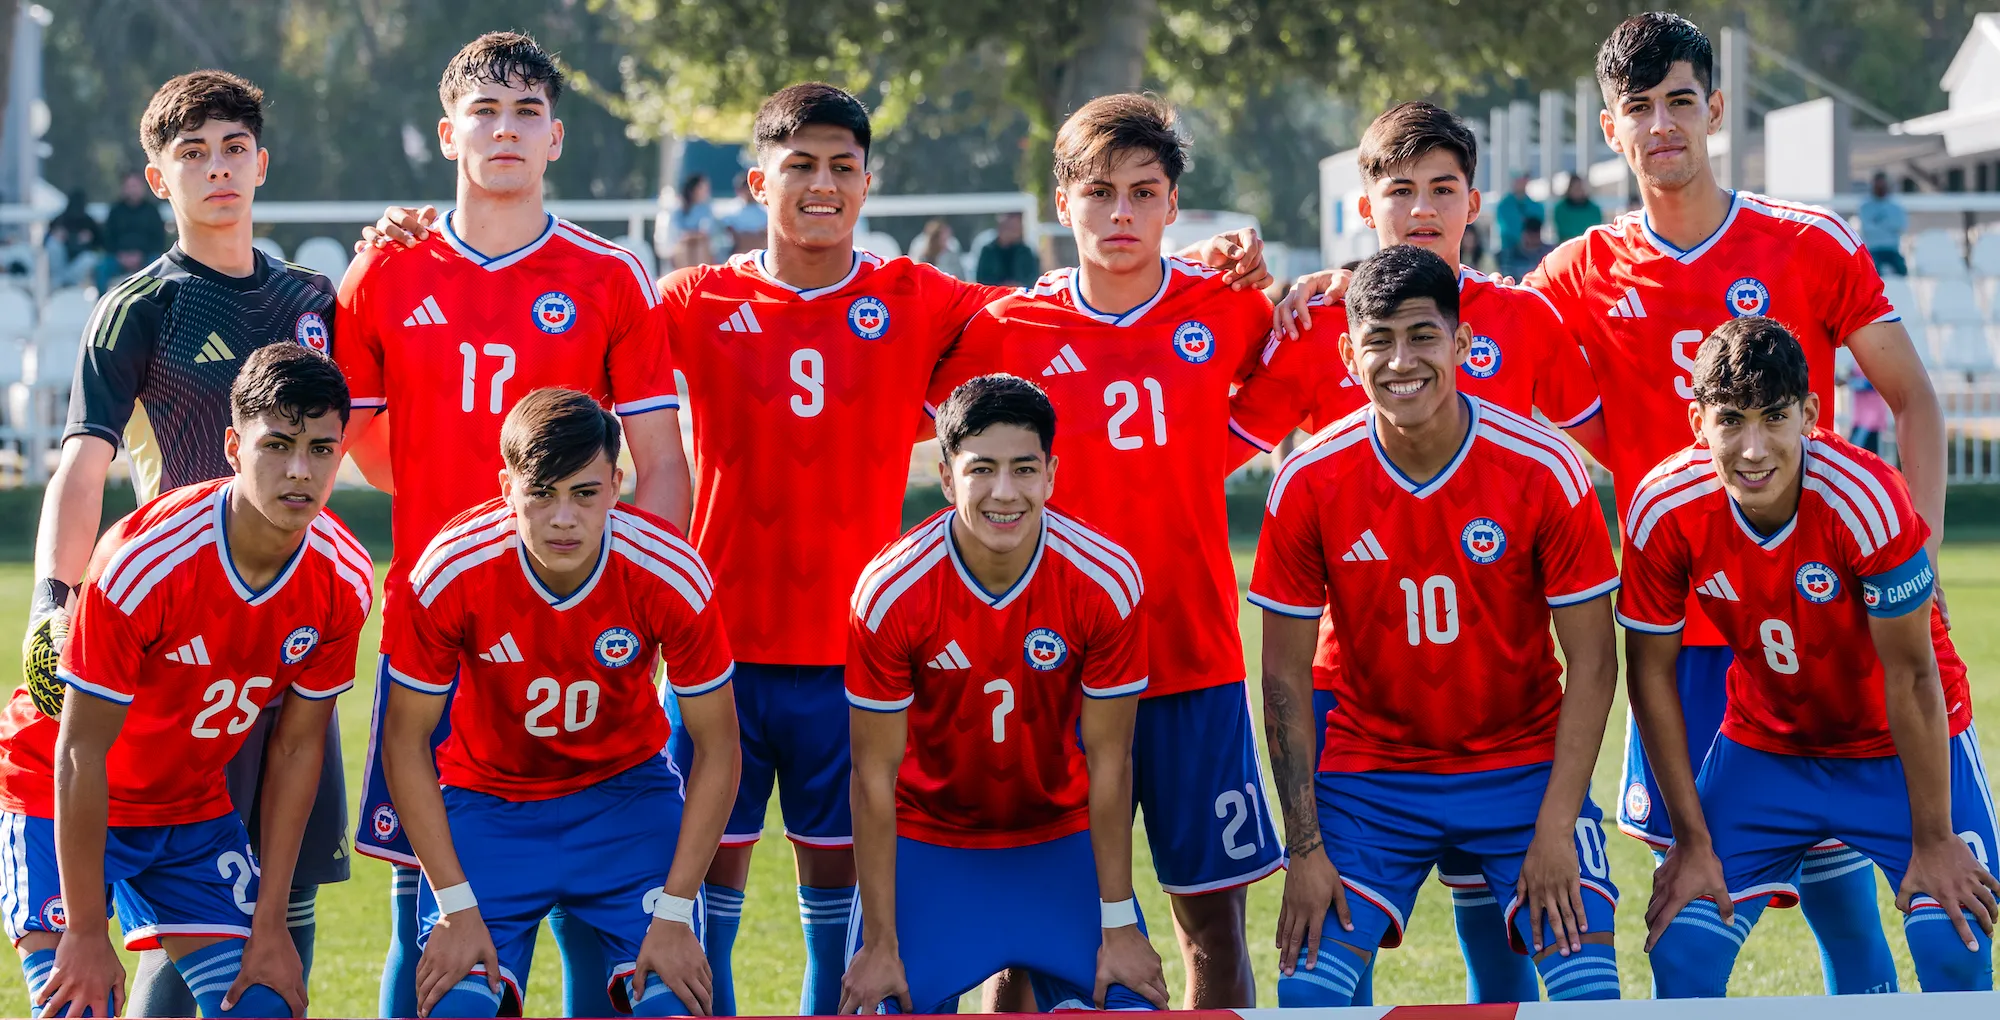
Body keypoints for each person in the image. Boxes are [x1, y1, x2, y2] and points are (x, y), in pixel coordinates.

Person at [363, 81, 1266, 1016]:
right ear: (757, 181)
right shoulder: (688, 298)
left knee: (844, 910)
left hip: (859, 661)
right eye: (799, 166)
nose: (821, 185)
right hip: (717, 657)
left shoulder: (921, 299)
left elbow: (1072, 311)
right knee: (687, 901)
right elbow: (564, 318)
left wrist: (1208, 266)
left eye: (842, 167)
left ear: (868, 183)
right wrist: (416, 240)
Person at [1274, 13, 1949, 993]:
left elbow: (1913, 396)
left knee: (1842, 884)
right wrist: (1341, 288)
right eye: (1638, 107)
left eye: (1680, 100)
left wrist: (1905, 562)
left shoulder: (1804, 241)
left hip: (1813, 606)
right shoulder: (1573, 277)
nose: (1662, 124)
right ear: (1608, 129)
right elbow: (1461, 312)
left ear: (1714, 108)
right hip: (1678, 623)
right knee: (1695, 901)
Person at [334, 32, 692, 1019]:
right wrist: (464, 538)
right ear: (448, 134)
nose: (505, 129)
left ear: (555, 138)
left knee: (604, 910)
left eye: (525, 112)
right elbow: (361, 455)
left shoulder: (609, 274)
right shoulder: (384, 274)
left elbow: (660, 466)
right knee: (433, 912)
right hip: (439, 634)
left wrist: (635, 606)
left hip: (586, 631)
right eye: (484, 113)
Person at [1228, 100, 1600, 1005]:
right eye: (1402, 190)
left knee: (1513, 939)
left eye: (1444, 189)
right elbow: (1205, 447)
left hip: (1505, 701)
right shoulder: (1315, 319)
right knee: (1315, 970)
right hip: (1359, 688)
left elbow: (1622, 452)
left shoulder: (1530, 325)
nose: (1424, 207)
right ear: (1366, 204)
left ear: (1474, 203)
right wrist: (1234, 293)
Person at [931, 94, 1284, 1010]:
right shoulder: (1008, 329)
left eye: (1142, 191)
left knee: (1210, 922)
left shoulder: (1230, 308)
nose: (1119, 214)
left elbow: (1277, 389)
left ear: (1174, 205)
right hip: (1049, 671)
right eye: (1099, 192)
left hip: (1190, 664)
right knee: (1035, 931)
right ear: (1063, 203)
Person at [20, 70, 349, 1019]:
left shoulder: (310, 296)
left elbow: (356, 422)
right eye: (193, 152)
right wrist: (54, 597)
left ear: (261, 164)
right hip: (176, 637)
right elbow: (83, 463)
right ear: (159, 179)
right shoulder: (140, 305)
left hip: (282, 626)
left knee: (281, 891)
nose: (217, 168)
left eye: (233, 148)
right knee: (177, 897)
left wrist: (394, 249)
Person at [1619, 316, 1997, 996]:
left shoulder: (1867, 498)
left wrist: (1935, 838)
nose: (1753, 446)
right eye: (1730, 420)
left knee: (1954, 941)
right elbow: (1649, 674)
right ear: (1696, 420)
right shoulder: (1662, 506)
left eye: (1775, 417)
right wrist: (1691, 840)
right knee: (1682, 948)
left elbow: (1912, 678)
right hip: (1768, 747)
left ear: (1811, 415)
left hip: (1895, 745)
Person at [0, 344, 370, 1019]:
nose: (299, 470)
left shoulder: (343, 579)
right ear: (233, 445)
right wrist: (85, 931)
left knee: (262, 1004)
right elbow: (80, 752)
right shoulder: (147, 561)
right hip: (63, 795)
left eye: (321, 448)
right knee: (79, 1007)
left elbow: (294, 749)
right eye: (278, 444)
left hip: (188, 806)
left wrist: (270, 922)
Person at [379, 388, 740, 1018]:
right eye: (541, 492)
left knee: (672, 1003)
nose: (564, 517)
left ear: (616, 484)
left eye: (585, 492)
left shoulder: (668, 572)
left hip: (625, 804)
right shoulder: (449, 570)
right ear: (506, 487)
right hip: (489, 806)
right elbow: (404, 741)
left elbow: (718, 745)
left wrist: (678, 910)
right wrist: (456, 905)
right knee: (455, 1006)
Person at [839, 374, 1166, 1014]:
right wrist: (881, 941)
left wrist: (1120, 920)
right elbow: (872, 776)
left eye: (1024, 468)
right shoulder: (890, 592)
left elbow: (1109, 761)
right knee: (880, 1003)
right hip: (933, 847)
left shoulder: (1105, 580)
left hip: (1058, 843)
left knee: (1133, 1004)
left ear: (1051, 474)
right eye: (981, 469)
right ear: (944, 472)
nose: (1004, 492)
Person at [98, 171, 170, 292]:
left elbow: (159, 239)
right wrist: (121, 256)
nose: (133, 190)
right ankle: (101, 304)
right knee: (101, 269)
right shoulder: (115, 211)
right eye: (130, 186)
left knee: (162, 269)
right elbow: (108, 238)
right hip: (118, 257)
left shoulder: (152, 211)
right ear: (124, 188)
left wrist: (140, 255)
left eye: (136, 186)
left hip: (146, 256)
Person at [46, 189, 101, 289]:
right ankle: (58, 285)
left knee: (89, 258)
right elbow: (46, 242)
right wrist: (59, 237)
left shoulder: (89, 222)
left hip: (79, 263)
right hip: (60, 263)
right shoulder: (59, 220)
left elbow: (100, 244)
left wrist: (89, 240)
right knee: (53, 245)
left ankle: (68, 285)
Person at [1860, 172, 1908, 276]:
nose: (1881, 187)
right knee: (1873, 273)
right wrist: (1888, 225)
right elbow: (1867, 228)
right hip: (1874, 249)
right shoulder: (1865, 206)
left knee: (1902, 271)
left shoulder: (1895, 206)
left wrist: (1879, 223)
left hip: (1892, 249)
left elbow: (1901, 225)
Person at [975, 212, 1040, 286]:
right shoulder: (988, 251)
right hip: (995, 295)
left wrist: (1018, 285)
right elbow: (981, 279)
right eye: (1011, 227)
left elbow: (1033, 278)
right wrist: (1000, 286)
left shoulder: (1026, 252)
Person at [673, 173, 718, 269]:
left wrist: (692, 235)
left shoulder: (706, 208)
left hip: (701, 244)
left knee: (700, 246)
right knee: (686, 247)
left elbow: (706, 231)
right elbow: (678, 232)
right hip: (684, 244)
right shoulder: (680, 209)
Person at [720, 172, 766, 256]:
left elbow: (765, 237)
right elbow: (735, 238)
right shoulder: (730, 210)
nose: (748, 192)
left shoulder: (766, 210)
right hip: (738, 253)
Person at [1496, 213, 1552, 281]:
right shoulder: (1509, 255)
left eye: (1536, 233)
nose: (1533, 237)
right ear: (1523, 233)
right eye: (1530, 233)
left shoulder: (1549, 254)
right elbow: (1507, 278)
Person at [1492, 171, 1537, 254]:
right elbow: (1504, 227)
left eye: (1524, 179)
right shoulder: (1504, 206)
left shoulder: (1536, 206)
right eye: (1519, 179)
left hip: (1532, 252)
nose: (1521, 182)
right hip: (1509, 250)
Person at [1551, 173, 1602, 242]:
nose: (1578, 191)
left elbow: (1596, 231)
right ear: (1569, 189)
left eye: (1580, 187)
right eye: (1575, 188)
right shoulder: (1560, 209)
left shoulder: (1594, 210)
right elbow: (1563, 232)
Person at [1851, 370, 1890, 454]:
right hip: (1860, 419)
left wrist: (1856, 383)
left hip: (1871, 420)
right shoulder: (1856, 361)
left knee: (1858, 453)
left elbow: (1877, 382)